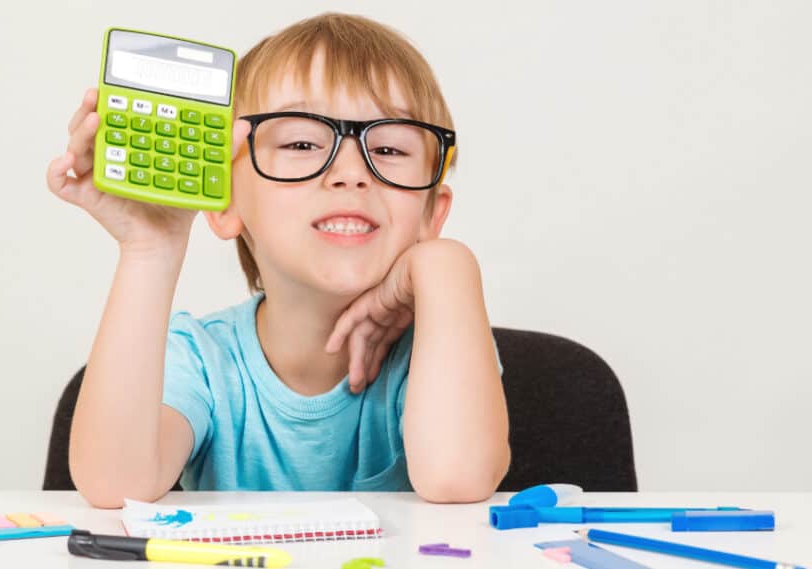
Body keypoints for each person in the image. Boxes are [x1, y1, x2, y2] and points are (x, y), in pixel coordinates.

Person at [46, 13, 509, 507]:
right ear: (224, 204)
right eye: (302, 143)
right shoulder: (202, 359)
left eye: (390, 148)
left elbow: (457, 479)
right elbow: (115, 487)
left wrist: (447, 263)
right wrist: (150, 250)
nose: (350, 172)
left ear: (430, 214)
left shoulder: (444, 347)